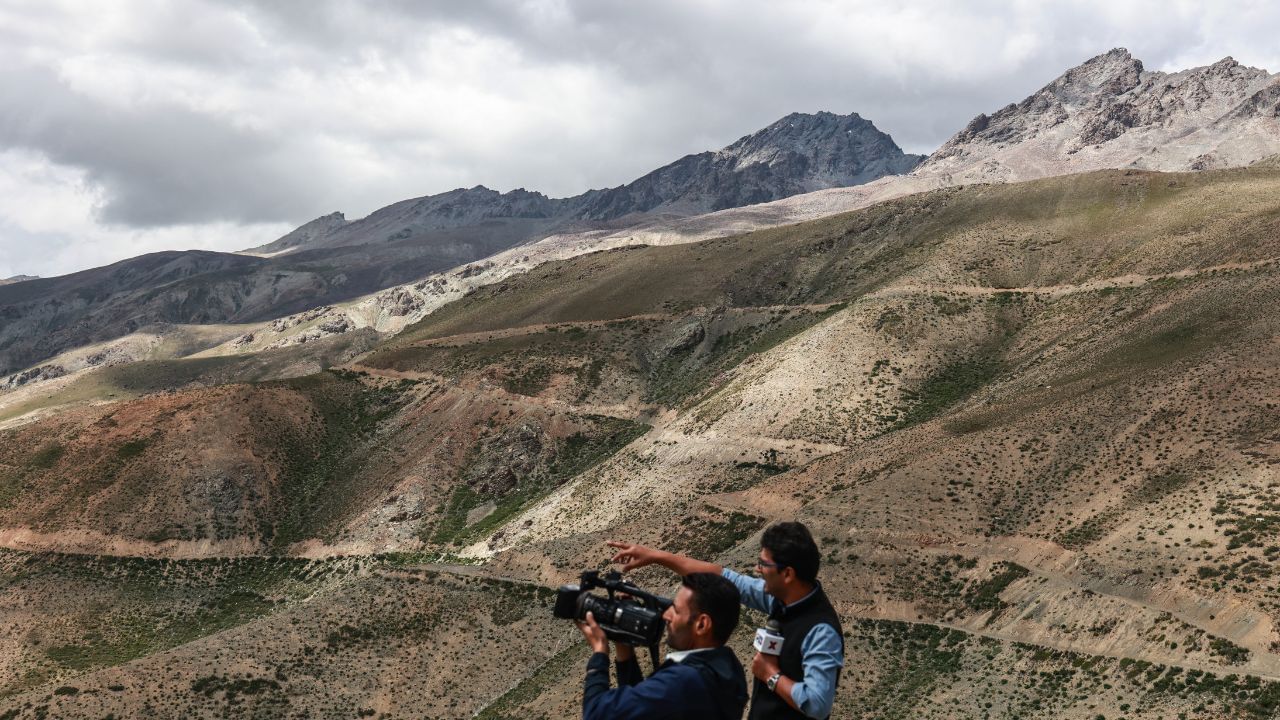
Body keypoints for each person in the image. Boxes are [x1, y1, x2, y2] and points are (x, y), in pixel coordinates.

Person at [609, 522, 843, 720]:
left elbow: (817, 705)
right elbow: (724, 577)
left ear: (788, 574)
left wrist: (771, 675)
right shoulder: (782, 599)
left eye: (764, 564)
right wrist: (655, 556)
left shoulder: (820, 631)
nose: (757, 569)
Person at [577, 572, 749, 720]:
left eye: (676, 610)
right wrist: (624, 647)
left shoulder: (684, 681)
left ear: (702, 624)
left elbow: (596, 714)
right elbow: (641, 710)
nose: (666, 615)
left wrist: (599, 653)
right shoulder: (726, 668)